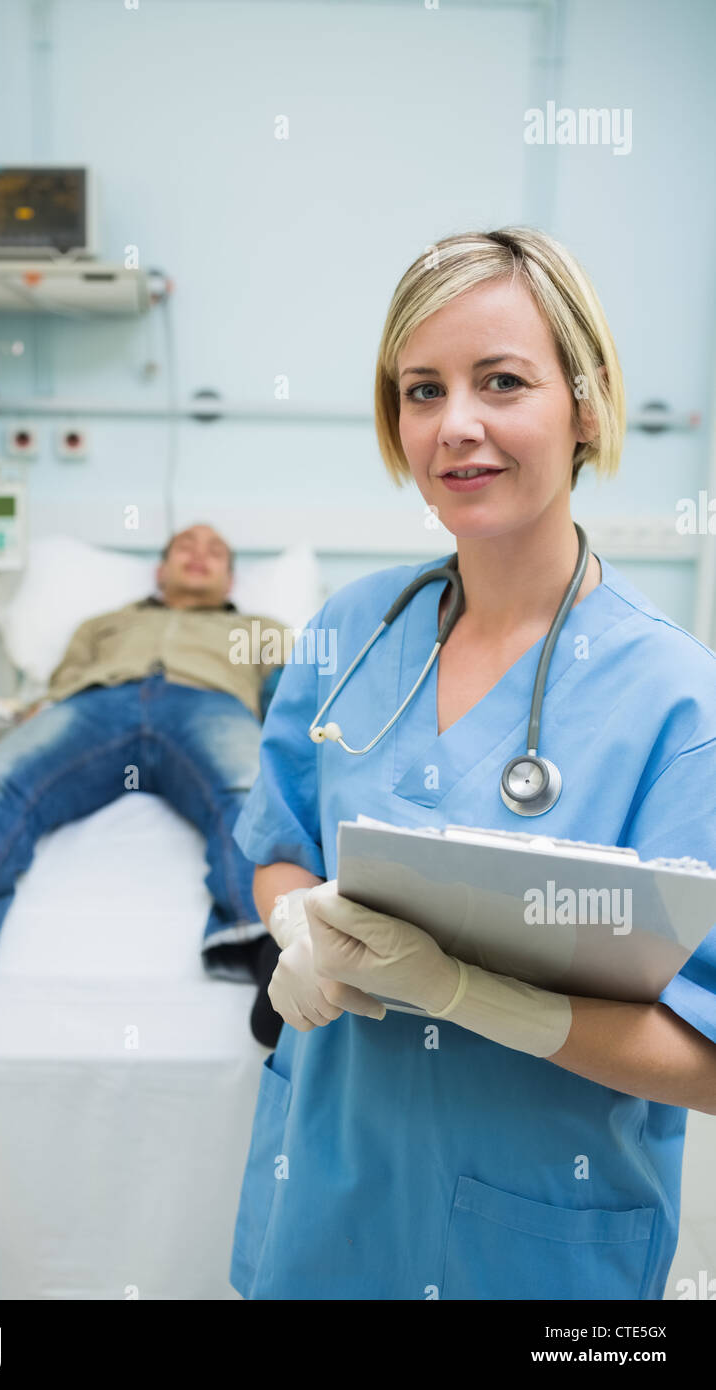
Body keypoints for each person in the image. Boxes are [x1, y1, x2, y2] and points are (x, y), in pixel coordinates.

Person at [229, 227, 716, 1301]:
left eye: (501, 380)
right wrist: (292, 925)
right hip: (321, 1203)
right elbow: (276, 839)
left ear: (584, 405)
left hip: (533, 1247)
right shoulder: (350, 629)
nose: (454, 426)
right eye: (419, 390)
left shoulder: (675, 702)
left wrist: (469, 994)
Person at [0, 523, 288, 1046]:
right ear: (160, 569)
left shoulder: (264, 629)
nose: (199, 555)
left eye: (215, 550)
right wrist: (40, 717)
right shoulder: (104, 624)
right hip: (96, 705)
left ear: (231, 579)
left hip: (210, 704)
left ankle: (274, 958)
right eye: (185, 547)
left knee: (248, 792)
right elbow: (58, 687)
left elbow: (289, 703)